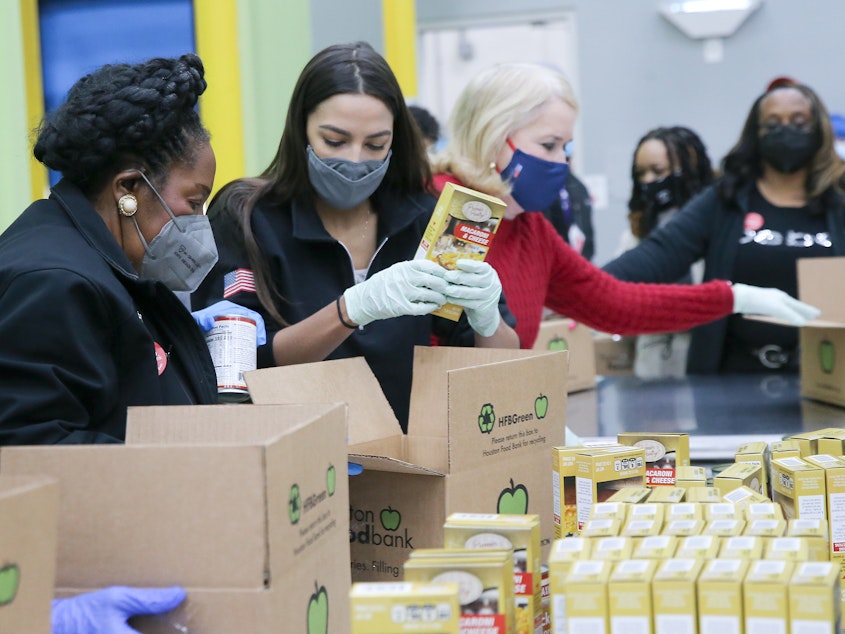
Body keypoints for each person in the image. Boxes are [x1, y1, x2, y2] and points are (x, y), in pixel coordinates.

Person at [191, 42, 520, 432]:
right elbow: (238, 364)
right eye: (334, 140)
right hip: (294, 461)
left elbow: (500, 370)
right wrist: (350, 310)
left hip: (403, 460)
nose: (355, 160)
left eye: (376, 144)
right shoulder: (247, 217)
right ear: (301, 131)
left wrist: (487, 323)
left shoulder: (425, 220)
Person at [427, 62, 819, 353]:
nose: (562, 162)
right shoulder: (445, 209)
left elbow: (612, 303)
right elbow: (429, 346)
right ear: (493, 135)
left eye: (566, 147)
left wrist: (734, 298)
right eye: (548, 145)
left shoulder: (529, 227)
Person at [0, 54, 264, 446]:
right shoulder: (53, 282)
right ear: (128, 189)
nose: (199, 220)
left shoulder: (106, 263)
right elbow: (33, 450)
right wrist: (188, 468)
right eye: (194, 201)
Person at [605, 81, 845, 374]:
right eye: (772, 123)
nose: (785, 130)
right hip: (730, 379)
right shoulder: (725, 201)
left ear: (819, 130)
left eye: (798, 121)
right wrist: (581, 287)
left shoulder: (839, 200)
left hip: (826, 376)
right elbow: (659, 254)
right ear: (755, 134)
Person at [616, 125, 716, 378]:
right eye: (642, 173)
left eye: (658, 171)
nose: (649, 180)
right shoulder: (635, 233)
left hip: (698, 363)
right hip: (649, 365)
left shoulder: (713, 227)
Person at [542, 140, 595, 261]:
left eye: (567, 158)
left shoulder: (578, 187)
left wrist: (587, 256)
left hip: (578, 256)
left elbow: (587, 225)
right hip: (552, 255)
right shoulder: (543, 187)